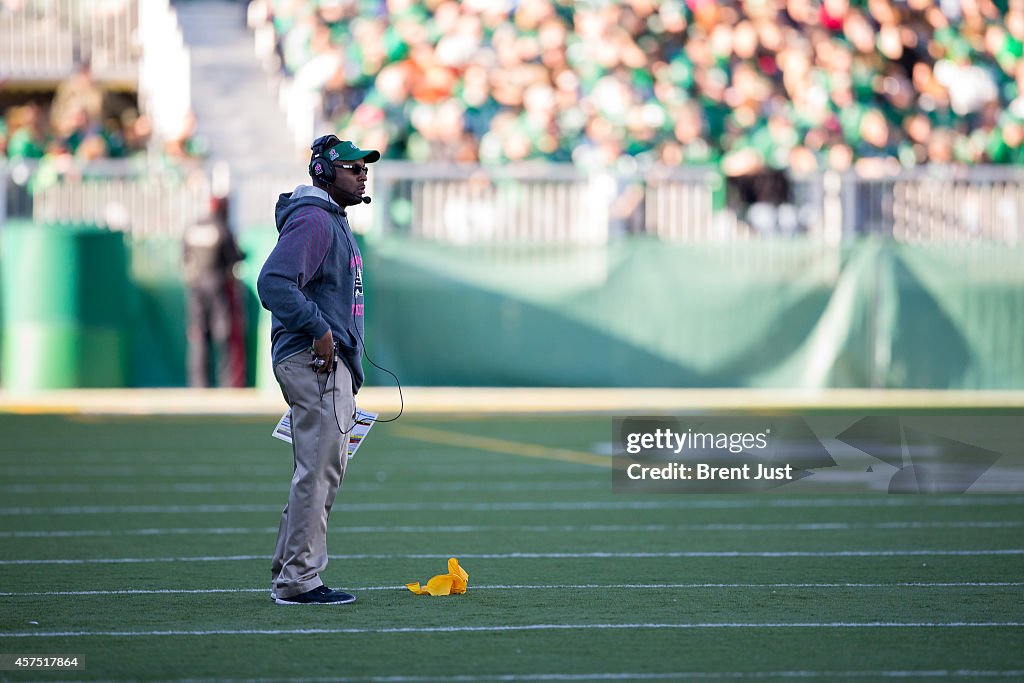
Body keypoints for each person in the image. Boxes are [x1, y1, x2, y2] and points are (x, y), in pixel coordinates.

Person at [257, 134, 378, 605]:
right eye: (352, 166)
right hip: (314, 361)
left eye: (364, 166)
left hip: (323, 363)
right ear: (325, 172)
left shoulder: (328, 218)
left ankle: (290, 569)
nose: (362, 172)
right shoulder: (313, 218)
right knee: (317, 472)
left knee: (317, 470)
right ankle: (299, 580)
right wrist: (320, 330)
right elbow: (274, 282)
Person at [183, 195, 246, 388]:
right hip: (218, 287)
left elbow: (185, 257)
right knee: (223, 336)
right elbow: (235, 257)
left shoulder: (192, 228)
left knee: (198, 336)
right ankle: (228, 384)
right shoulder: (221, 228)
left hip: (196, 288)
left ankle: (198, 383)